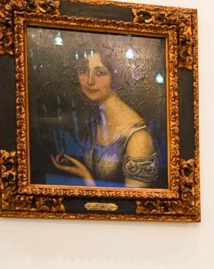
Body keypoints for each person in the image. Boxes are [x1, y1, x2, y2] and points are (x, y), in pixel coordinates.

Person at [50, 45, 159, 187]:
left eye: (100, 73)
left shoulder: (138, 138)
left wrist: (85, 176)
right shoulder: (95, 120)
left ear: (115, 75)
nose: (90, 81)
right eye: (83, 71)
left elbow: (135, 205)